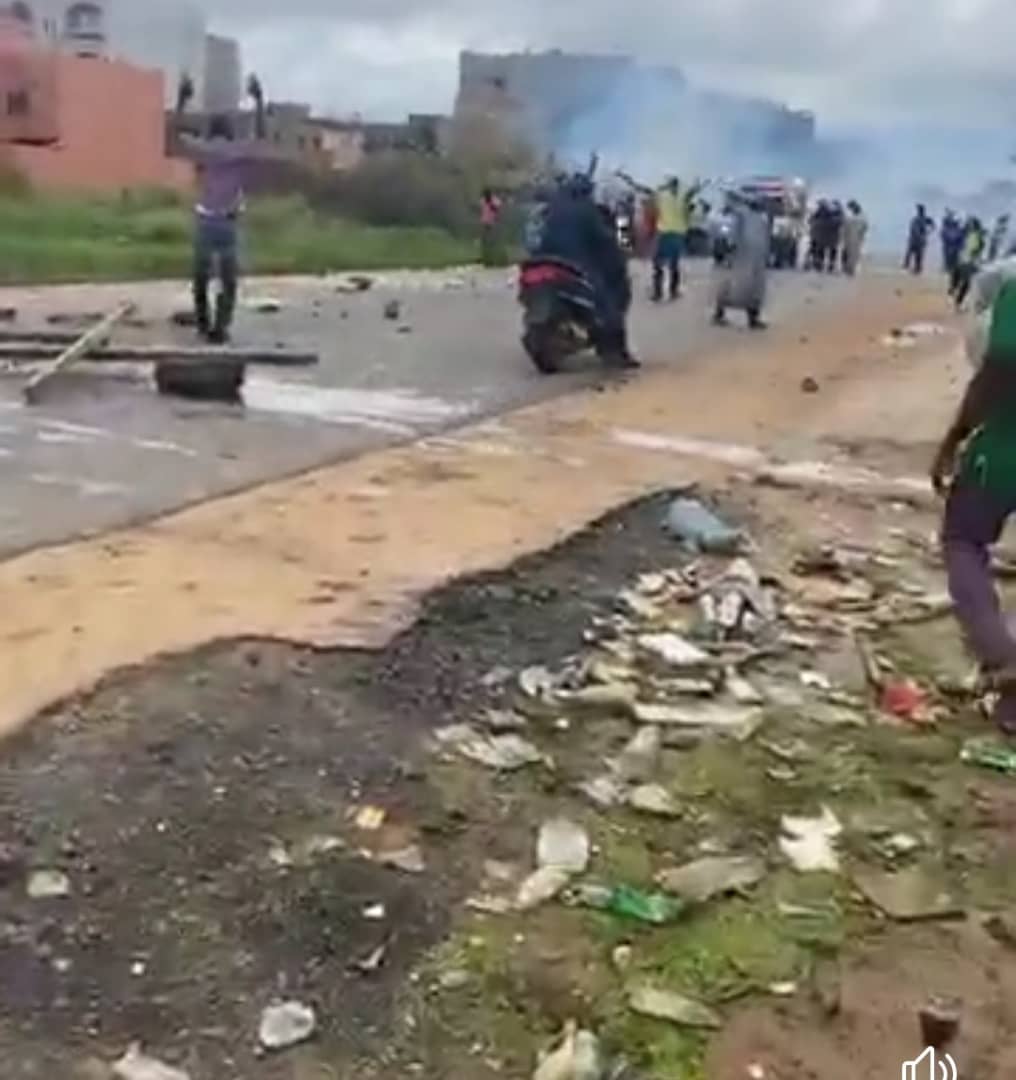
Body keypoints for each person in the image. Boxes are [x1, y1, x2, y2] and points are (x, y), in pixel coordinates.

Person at [931, 278, 1016, 734]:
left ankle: (1003, 657)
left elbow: (998, 371)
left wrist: (953, 438)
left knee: (962, 541)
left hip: (1004, 452)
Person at [175, 78, 266, 344]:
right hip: (228, 221)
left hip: (205, 218)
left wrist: (182, 100)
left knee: (201, 276)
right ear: (229, 132)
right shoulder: (238, 150)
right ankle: (221, 327)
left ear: (211, 132)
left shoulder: (204, 151)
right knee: (228, 280)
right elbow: (260, 134)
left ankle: (204, 324)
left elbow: (177, 134)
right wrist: (259, 99)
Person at [537, 173, 638, 368]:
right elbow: (607, 240)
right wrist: (619, 251)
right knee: (609, 303)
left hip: (543, 261)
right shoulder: (588, 211)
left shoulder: (552, 209)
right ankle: (614, 351)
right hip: (577, 264)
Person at [713, 193, 770, 329]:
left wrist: (766, 256)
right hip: (741, 256)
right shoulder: (741, 216)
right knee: (732, 286)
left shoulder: (762, 219)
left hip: (756, 259)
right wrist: (730, 248)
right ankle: (719, 314)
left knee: (753, 289)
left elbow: (765, 240)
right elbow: (732, 233)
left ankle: (753, 319)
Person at [651, 175, 702, 301]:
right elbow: (691, 193)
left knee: (665, 264)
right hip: (673, 234)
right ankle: (667, 292)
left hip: (669, 234)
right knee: (667, 264)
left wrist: (697, 186)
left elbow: (691, 193)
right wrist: (697, 186)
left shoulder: (668, 196)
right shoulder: (673, 197)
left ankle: (663, 292)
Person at [951, 216, 987, 310]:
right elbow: (973, 249)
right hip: (969, 261)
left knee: (967, 283)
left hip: (967, 261)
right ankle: (959, 302)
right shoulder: (974, 235)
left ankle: (957, 299)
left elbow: (973, 248)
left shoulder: (972, 235)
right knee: (967, 283)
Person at [904, 204, 935, 275]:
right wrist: (928, 232)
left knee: (916, 255)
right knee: (912, 254)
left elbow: (933, 225)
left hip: (918, 240)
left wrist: (927, 232)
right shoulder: (919, 219)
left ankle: (916, 268)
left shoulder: (920, 219)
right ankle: (913, 267)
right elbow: (932, 226)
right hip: (917, 239)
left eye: (919, 210)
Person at [840, 200, 869, 276]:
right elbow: (865, 228)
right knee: (854, 255)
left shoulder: (850, 217)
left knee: (850, 254)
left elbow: (844, 228)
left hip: (851, 238)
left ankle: (848, 270)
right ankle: (850, 270)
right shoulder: (862, 217)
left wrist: (843, 236)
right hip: (856, 239)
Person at [480, 188, 503, 266]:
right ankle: (487, 259)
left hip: (493, 222)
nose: (486, 197)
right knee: (485, 241)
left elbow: (498, 208)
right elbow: (482, 209)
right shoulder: (483, 200)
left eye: (487, 195)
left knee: (493, 241)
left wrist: (491, 204)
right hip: (485, 222)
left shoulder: (495, 200)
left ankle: (496, 259)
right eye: (485, 195)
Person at [941, 210, 964, 277]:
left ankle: (951, 269)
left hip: (954, 247)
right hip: (948, 246)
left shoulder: (958, 230)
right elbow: (944, 237)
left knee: (954, 259)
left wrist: (960, 246)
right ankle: (948, 268)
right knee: (948, 258)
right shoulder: (947, 229)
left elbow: (961, 240)